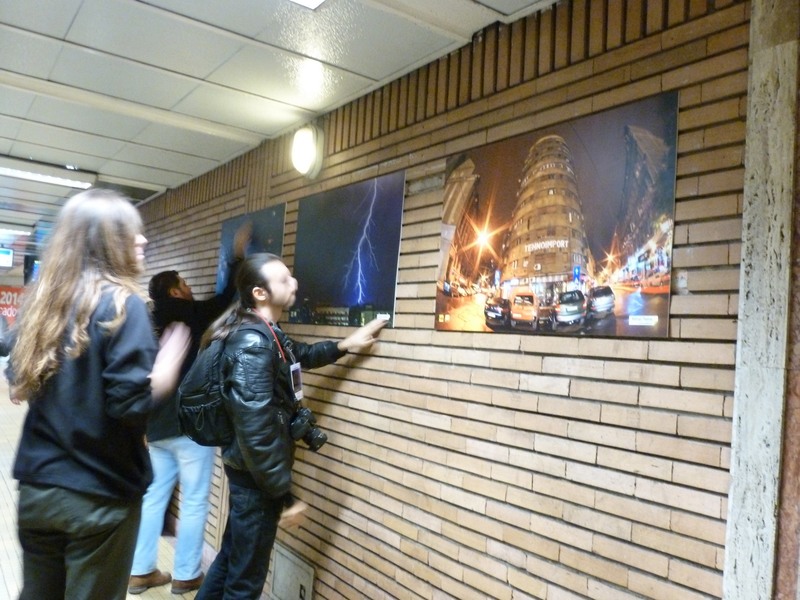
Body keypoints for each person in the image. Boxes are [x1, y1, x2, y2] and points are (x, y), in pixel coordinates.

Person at [10, 188, 191, 600]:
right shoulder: (123, 306)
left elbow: (17, 369)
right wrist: (164, 373)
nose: (143, 239)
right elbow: (129, 405)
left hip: (39, 490)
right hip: (99, 497)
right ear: (106, 241)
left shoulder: (46, 303)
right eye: (131, 232)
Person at [195, 253, 387, 600]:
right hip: (257, 482)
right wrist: (285, 496)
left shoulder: (267, 333)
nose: (294, 283)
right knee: (245, 582)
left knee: (230, 560)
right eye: (284, 280)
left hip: (250, 476)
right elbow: (256, 432)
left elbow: (300, 356)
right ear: (260, 293)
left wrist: (345, 345)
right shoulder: (254, 344)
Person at [129, 223, 251, 595]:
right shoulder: (188, 313)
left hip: (155, 425)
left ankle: (140, 570)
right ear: (174, 291)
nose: (189, 287)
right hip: (190, 427)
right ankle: (185, 574)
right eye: (183, 283)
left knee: (154, 495)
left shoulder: (148, 317)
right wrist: (236, 257)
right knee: (196, 499)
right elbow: (225, 299)